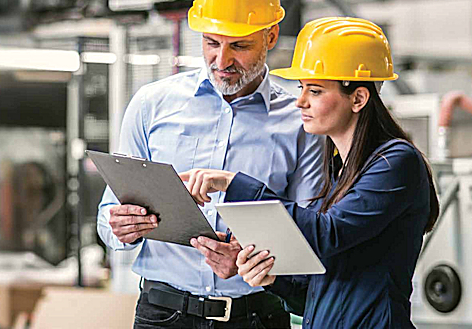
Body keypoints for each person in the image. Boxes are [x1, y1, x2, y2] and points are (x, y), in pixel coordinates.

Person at [96, 0, 324, 329]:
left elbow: (310, 235)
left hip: (256, 317)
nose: (222, 60)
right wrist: (120, 228)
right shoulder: (152, 104)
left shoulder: (301, 121)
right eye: (211, 43)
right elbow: (109, 216)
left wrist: (253, 257)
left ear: (270, 36)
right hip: (163, 314)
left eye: (240, 46)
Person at [180, 17, 441, 329]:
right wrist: (273, 277)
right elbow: (318, 292)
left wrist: (232, 183)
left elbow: (327, 234)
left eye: (314, 91)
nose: (300, 101)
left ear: (358, 98)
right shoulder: (340, 171)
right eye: (301, 87)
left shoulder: (395, 162)